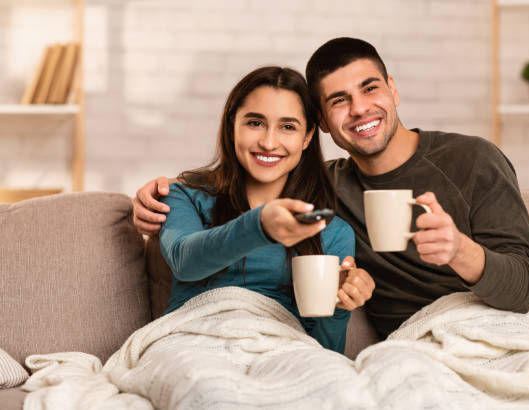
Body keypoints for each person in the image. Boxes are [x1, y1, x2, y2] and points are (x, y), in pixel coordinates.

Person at [133, 38, 529, 340]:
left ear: (393, 89)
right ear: (323, 124)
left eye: (370, 88)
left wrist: (458, 250)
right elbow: (251, 185)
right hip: (409, 345)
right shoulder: (324, 194)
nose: (360, 108)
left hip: (492, 324)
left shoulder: (473, 159)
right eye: (339, 100)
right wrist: (156, 193)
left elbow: (522, 289)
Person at [155, 66, 374, 353]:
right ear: (232, 125)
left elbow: (325, 353)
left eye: (288, 127)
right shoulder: (183, 196)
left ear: (307, 137)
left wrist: (340, 306)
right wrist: (260, 226)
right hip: (192, 345)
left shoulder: (333, 233)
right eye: (255, 123)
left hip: (281, 355)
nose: (269, 143)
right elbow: (186, 261)